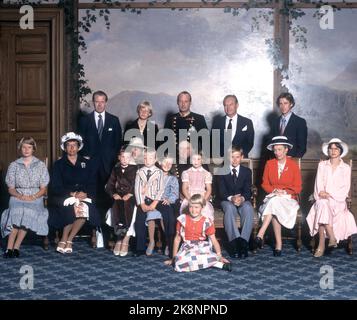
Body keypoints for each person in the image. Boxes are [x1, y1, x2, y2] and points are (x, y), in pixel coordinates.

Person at [48, 132, 101, 254]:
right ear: (65, 147)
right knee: (71, 208)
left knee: (83, 208)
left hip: (84, 195)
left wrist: (86, 194)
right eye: (69, 145)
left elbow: (92, 183)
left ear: (78, 147)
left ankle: (69, 240)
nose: (72, 148)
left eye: (74, 145)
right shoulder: (58, 164)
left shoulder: (86, 163)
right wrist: (72, 194)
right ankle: (64, 238)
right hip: (65, 196)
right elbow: (55, 187)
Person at [306, 138, 357, 257]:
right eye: (331, 148)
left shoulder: (345, 168)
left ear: (340, 151)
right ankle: (331, 238)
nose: (333, 151)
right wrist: (322, 194)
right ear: (328, 151)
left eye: (336, 148)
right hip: (321, 198)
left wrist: (330, 194)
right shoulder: (322, 165)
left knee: (324, 206)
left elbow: (345, 188)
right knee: (323, 204)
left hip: (337, 201)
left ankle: (322, 245)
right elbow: (318, 185)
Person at [1, 137, 49, 258]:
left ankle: (16, 247)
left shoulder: (40, 165)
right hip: (17, 195)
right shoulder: (14, 165)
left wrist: (32, 196)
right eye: (24, 147)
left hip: (35, 196)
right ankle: (9, 249)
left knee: (27, 212)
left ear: (34, 149)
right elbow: (11, 188)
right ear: (20, 149)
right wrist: (20, 196)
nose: (26, 150)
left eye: (29, 147)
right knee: (16, 212)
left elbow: (43, 189)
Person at [255, 136, 302, 256]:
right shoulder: (269, 164)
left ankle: (261, 233)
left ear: (286, 150)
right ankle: (278, 245)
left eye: (280, 149)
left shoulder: (293, 165)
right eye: (275, 150)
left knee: (274, 203)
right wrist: (274, 191)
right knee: (275, 203)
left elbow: (298, 187)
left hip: (289, 199)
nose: (277, 153)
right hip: (273, 196)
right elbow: (264, 184)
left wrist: (285, 192)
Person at [164, 194, 231, 272]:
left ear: (202, 207)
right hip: (187, 248)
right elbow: (177, 239)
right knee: (178, 263)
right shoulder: (182, 219)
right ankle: (212, 264)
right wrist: (173, 258)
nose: (193, 210)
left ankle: (217, 263)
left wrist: (219, 256)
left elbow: (213, 240)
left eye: (196, 207)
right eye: (191, 207)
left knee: (208, 256)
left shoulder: (206, 221)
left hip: (201, 247)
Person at [78, 90, 123, 204]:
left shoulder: (114, 120)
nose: (99, 104)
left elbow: (118, 143)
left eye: (102, 102)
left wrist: (115, 162)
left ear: (106, 102)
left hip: (109, 164)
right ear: (93, 102)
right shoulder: (85, 120)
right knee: (91, 194)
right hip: (91, 164)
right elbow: (80, 142)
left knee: (108, 194)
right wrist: (85, 157)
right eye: (97, 101)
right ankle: (92, 220)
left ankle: (106, 220)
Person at [217, 146, 254, 258]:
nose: (234, 160)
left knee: (248, 208)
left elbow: (248, 191)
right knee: (229, 208)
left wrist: (242, 198)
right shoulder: (221, 171)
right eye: (232, 157)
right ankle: (234, 241)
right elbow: (221, 192)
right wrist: (231, 198)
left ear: (242, 157)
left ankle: (243, 242)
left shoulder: (247, 171)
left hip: (242, 199)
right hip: (226, 200)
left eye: (237, 157)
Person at [105, 149, 137, 256]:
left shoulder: (135, 169)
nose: (125, 160)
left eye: (127, 157)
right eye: (123, 157)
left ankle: (125, 239)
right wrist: (114, 194)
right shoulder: (116, 169)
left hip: (131, 197)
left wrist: (131, 194)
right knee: (116, 205)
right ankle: (119, 236)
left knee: (127, 205)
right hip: (118, 196)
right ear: (119, 157)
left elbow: (137, 184)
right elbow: (109, 185)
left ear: (131, 158)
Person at [134, 149, 165, 256]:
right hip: (143, 200)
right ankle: (140, 248)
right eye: (145, 158)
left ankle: (167, 243)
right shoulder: (139, 171)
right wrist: (141, 204)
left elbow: (161, 189)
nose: (147, 160)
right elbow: (137, 188)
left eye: (151, 158)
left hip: (155, 200)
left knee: (166, 215)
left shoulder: (159, 172)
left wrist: (154, 203)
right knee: (139, 221)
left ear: (155, 159)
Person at [271, 92, 307, 158]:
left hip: (292, 161)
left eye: (285, 103)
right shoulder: (275, 122)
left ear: (291, 104)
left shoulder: (300, 122)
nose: (283, 106)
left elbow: (302, 147)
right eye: (280, 104)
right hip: (276, 160)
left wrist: (293, 160)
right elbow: (272, 144)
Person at [180, 152, 214, 221]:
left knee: (204, 213)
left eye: (198, 159)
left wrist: (203, 200)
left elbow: (209, 189)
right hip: (190, 196)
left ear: (202, 160)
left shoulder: (206, 173)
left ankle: (203, 230)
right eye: (194, 159)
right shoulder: (186, 173)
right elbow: (184, 188)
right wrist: (190, 200)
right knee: (188, 213)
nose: (196, 161)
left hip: (201, 197)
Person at [158, 156, 179, 256]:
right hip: (155, 201)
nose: (167, 165)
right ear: (160, 162)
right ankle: (168, 243)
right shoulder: (155, 175)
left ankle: (170, 245)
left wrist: (169, 200)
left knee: (171, 216)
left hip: (167, 202)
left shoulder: (173, 178)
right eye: (165, 162)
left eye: (169, 164)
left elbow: (175, 193)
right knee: (167, 213)